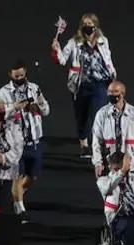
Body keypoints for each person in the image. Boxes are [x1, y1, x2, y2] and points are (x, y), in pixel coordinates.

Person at [52, 13, 116, 158]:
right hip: (80, 84)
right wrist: (56, 49)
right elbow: (62, 60)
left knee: (100, 114)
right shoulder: (74, 42)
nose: (88, 26)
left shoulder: (103, 41)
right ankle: (84, 146)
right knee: (82, 115)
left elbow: (108, 59)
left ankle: (99, 146)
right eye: (85, 24)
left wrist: (112, 74)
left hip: (100, 83)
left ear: (96, 25)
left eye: (90, 23)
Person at [0, 60, 50, 223]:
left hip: (34, 140)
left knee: (32, 177)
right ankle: (19, 208)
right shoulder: (4, 92)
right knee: (17, 176)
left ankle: (16, 194)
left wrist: (39, 105)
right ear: (10, 75)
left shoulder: (34, 88)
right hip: (15, 141)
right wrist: (17, 106)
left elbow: (46, 111)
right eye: (16, 75)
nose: (19, 77)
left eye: (22, 74)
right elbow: (0, 113)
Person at [92, 81, 134, 178]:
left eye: (115, 92)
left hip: (129, 162)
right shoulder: (102, 114)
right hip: (109, 164)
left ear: (122, 94)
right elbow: (96, 140)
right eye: (109, 92)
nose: (111, 94)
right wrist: (98, 163)